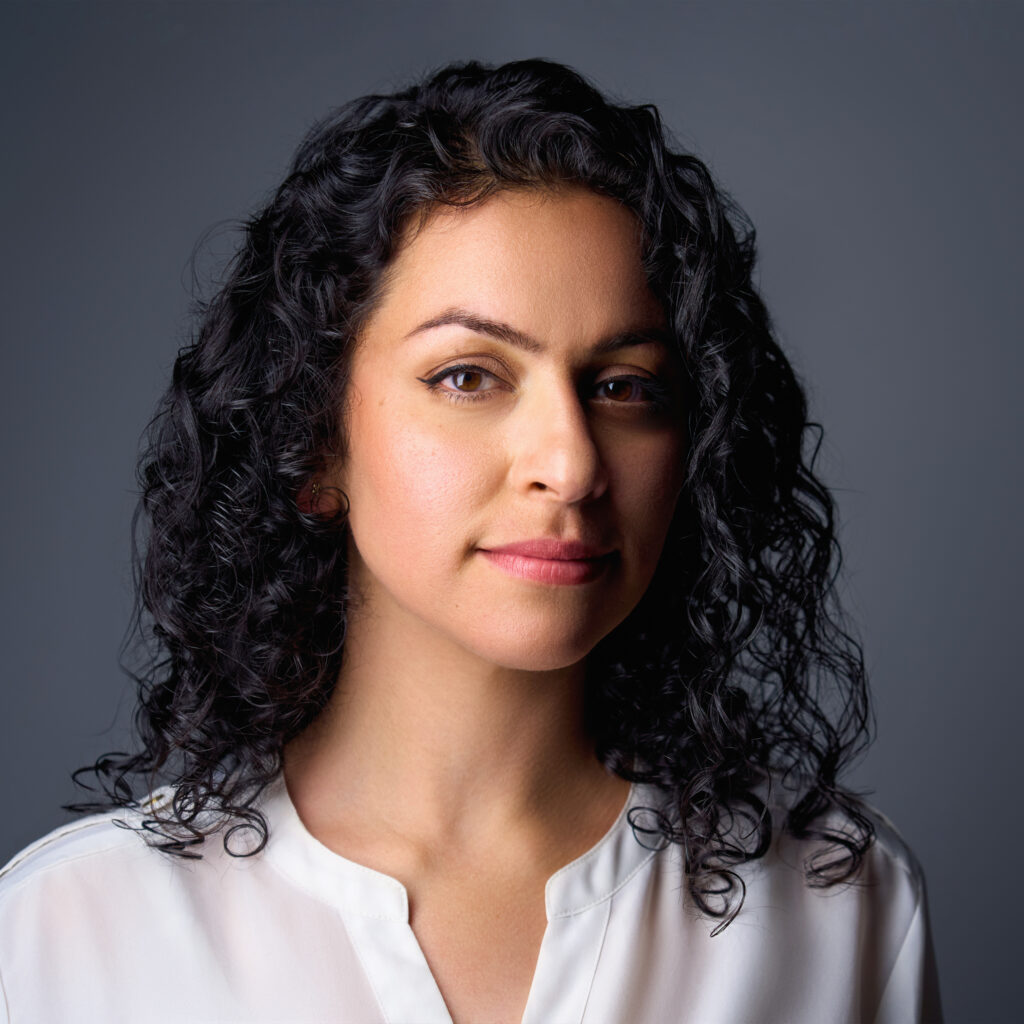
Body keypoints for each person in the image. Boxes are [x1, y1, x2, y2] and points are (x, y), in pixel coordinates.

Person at [0, 58, 941, 1023]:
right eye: (468, 377)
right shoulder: (69, 937)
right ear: (313, 441)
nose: (570, 465)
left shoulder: (837, 906)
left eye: (623, 386)